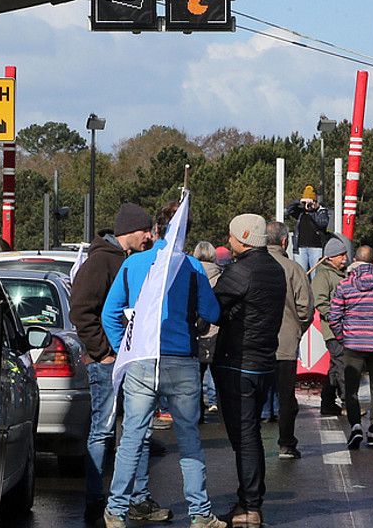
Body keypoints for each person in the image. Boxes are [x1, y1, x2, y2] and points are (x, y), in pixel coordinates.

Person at [101, 202, 224, 528]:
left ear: (156, 229)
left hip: (141, 360)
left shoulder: (133, 265)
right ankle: (200, 514)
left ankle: (115, 511)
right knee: (188, 440)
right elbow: (213, 313)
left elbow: (109, 314)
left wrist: (122, 348)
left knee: (132, 438)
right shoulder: (193, 267)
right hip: (181, 361)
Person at [68, 203, 170, 527]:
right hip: (108, 363)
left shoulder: (121, 259)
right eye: (146, 231)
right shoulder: (102, 262)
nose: (150, 237)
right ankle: (97, 500)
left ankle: (136, 500)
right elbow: (81, 311)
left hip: (127, 359)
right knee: (104, 431)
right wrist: (104, 352)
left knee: (134, 433)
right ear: (133, 230)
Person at [212, 213, 287, 528]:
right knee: (251, 434)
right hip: (263, 363)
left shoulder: (241, 271)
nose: (228, 241)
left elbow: (213, 309)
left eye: (231, 236)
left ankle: (250, 505)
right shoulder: (275, 269)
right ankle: (249, 500)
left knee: (243, 437)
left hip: (237, 362)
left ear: (242, 238)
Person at [329, 244, 373, 449]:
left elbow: (334, 317)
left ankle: (355, 427)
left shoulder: (344, 286)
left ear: (355, 262)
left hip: (352, 344)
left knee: (351, 389)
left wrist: (342, 337)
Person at [263, 221, 313, 458]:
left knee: (253, 394)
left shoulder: (251, 265)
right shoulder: (293, 269)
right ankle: (286, 443)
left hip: (255, 342)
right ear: (284, 241)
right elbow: (306, 308)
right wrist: (297, 328)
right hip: (285, 341)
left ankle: (249, 443)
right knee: (285, 396)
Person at [311, 236, 350, 416]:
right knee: (342, 364)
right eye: (341, 255)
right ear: (330, 257)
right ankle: (347, 402)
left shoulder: (343, 274)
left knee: (335, 367)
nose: (345, 258)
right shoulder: (323, 276)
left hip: (345, 328)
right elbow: (320, 301)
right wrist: (334, 317)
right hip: (333, 330)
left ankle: (327, 403)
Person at [194, 240, 223, 415]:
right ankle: (215, 402)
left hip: (196, 330)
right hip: (215, 329)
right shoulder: (220, 276)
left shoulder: (190, 273)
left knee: (196, 374)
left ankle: (198, 410)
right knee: (215, 371)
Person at [285, 186, 330, 275]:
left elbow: (322, 223)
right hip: (300, 249)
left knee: (316, 275)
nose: (308, 205)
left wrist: (314, 209)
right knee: (301, 275)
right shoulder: (301, 212)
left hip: (316, 248)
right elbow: (287, 211)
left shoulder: (321, 212)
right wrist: (299, 201)